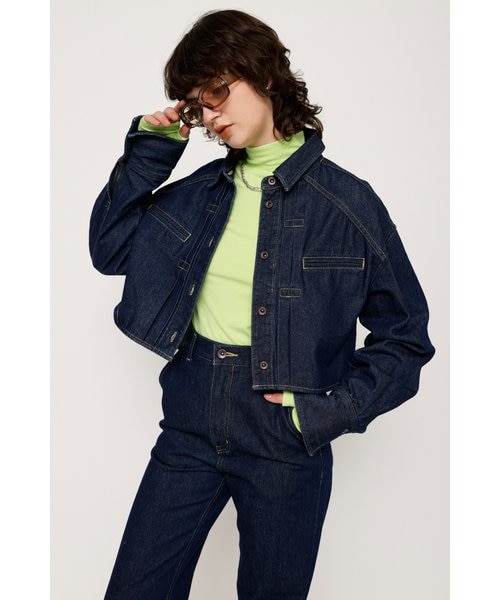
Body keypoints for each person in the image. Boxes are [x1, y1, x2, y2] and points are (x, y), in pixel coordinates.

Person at [89, 8, 435, 600]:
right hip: (191, 421)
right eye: (196, 106)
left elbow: (405, 337)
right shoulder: (195, 196)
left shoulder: (348, 205)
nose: (209, 115)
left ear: (265, 75)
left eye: (217, 92)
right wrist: (152, 149)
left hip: (285, 439)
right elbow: (110, 247)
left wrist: (327, 412)